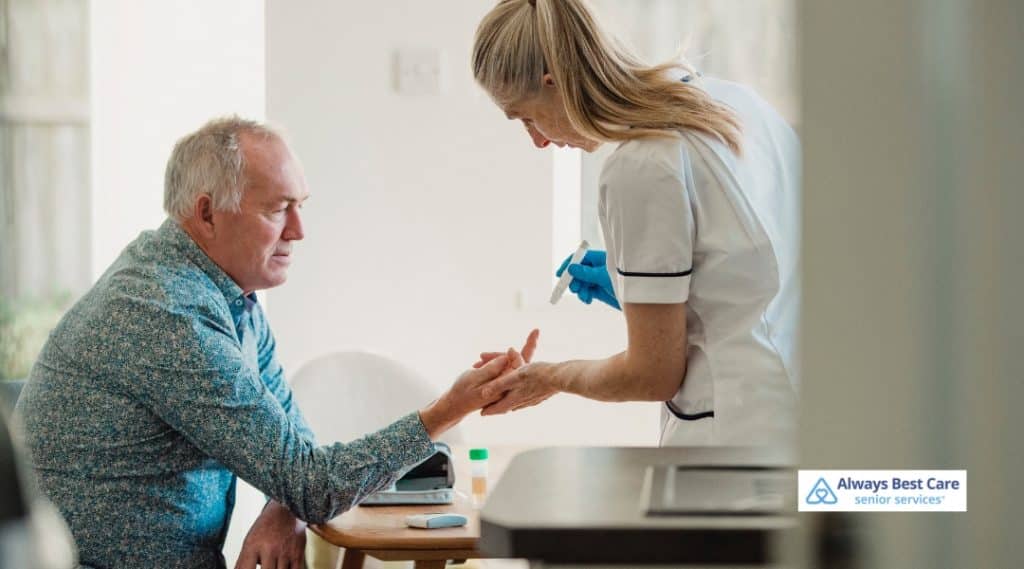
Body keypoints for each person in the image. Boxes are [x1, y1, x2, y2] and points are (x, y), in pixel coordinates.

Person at [15, 117, 532, 569]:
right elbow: (312, 481)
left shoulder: (227, 294)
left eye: (300, 205)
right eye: (278, 209)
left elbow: (294, 453)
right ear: (207, 213)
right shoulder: (166, 313)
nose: (300, 230)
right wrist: (450, 408)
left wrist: (280, 508)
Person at [470, 0, 800, 448]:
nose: (538, 140)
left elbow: (651, 377)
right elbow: (751, 276)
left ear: (555, 82)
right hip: (806, 407)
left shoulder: (640, 165)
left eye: (527, 116)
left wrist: (549, 377)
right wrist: (643, 292)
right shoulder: (736, 103)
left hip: (737, 441)